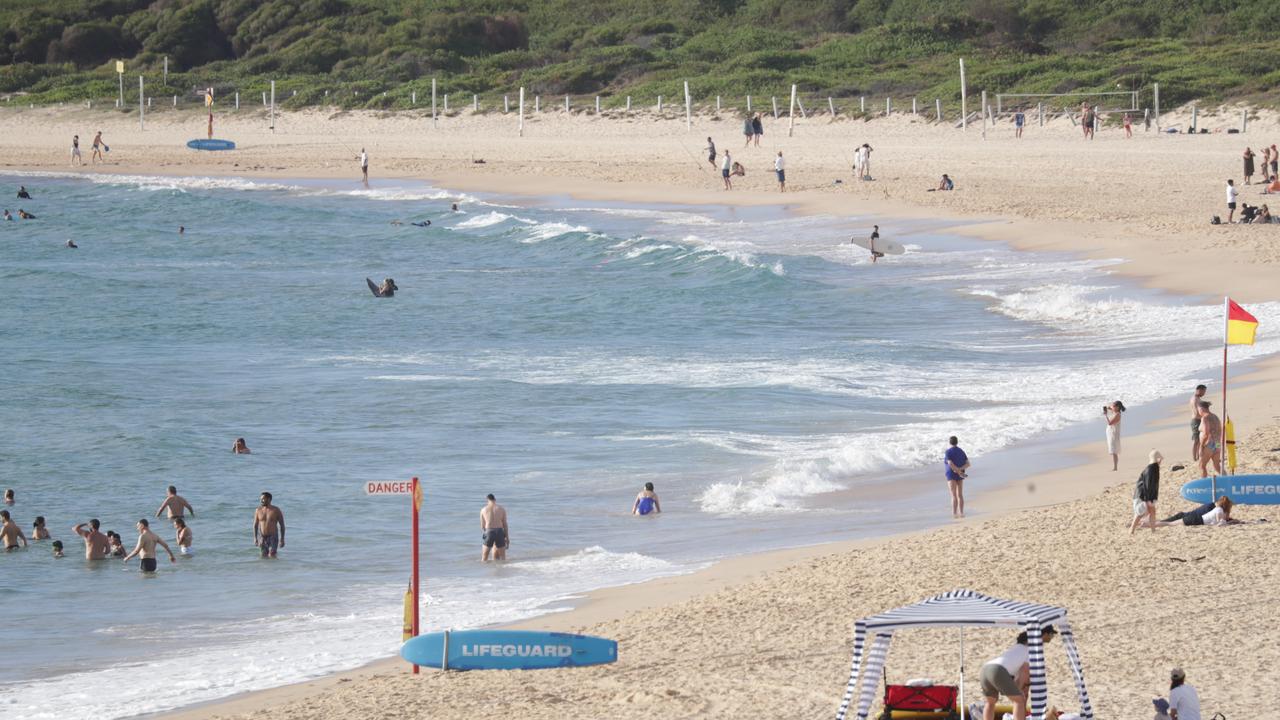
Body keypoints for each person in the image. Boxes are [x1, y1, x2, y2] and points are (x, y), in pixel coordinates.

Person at [980, 626, 1057, 720]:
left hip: (985, 669)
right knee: (1019, 701)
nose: (1052, 637)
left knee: (990, 703)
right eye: (1051, 635)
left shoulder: (1018, 647)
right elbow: (1025, 672)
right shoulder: (1030, 650)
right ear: (1044, 634)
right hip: (997, 670)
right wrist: (1021, 690)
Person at [1129, 450, 1162, 534]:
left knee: (1152, 511)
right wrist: (1148, 499)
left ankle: (1153, 530)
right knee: (1140, 513)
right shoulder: (1151, 469)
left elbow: (1152, 485)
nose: (1160, 461)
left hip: (1146, 495)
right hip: (1142, 495)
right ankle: (1132, 529)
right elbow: (1148, 485)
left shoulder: (1154, 468)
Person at [1158, 496, 1233, 527]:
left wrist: (1232, 521)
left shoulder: (1214, 507)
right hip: (1192, 518)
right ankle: (1149, 524)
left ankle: (1151, 523)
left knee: (1166, 522)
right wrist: (1228, 521)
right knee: (1168, 523)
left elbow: (1221, 519)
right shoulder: (1217, 510)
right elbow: (1220, 521)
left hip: (1190, 517)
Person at [254, 492, 285, 558]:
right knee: (263, 556)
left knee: (272, 555)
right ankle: (265, 568)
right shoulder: (258, 510)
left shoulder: (276, 510)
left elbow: (282, 525)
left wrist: (282, 539)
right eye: (261, 499)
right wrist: (255, 538)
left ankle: (274, 568)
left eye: (263, 499)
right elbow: (255, 525)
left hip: (273, 536)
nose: (261, 501)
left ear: (269, 499)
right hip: (262, 537)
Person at [945, 435, 969, 518]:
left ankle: (954, 513)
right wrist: (960, 471)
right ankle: (961, 512)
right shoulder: (961, 451)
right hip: (960, 474)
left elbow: (950, 463)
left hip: (951, 474)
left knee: (953, 495)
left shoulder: (948, 451)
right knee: (960, 495)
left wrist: (957, 471)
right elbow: (968, 464)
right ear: (957, 442)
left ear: (949, 442)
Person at [1197, 401, 1222, 477]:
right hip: (1217, 443)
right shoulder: (1215, 416)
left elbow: (1206, 433)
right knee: (1217, 466)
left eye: (1198, 410)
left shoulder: (1205, 418)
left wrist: (1201, 446)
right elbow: (1220, 430)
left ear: (1201, 409)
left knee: (1202, 465)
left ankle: (1203, 484)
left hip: (1209, 444)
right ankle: (1226, 479)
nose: (1198, 412)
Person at [480, 493, 509, 562]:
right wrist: (507, 537)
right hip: (499, 532)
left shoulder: (483, 510)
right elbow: (505, 524)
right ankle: (501, 571)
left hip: (489, 531)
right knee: (503, 558)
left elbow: (482, 526)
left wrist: (487, 534)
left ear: (487, 500)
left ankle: (483, 571)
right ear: (495, 500)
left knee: (484, 558)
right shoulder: (502, 509)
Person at [1104, 400, 1125, 471]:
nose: (1112, 407)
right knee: (1113, 450)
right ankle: (1115, 467)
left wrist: (1106, 415)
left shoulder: (1117, 415)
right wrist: (1108, 407)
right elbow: (1108, 406)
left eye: (1114, 406)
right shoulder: (1115, 411)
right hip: (1111, 432)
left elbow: (1109, 423)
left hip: (1113, 433)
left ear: (1117, 407)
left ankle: (1115, 467)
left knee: (1114, 451)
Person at [1189, 384, 1207, 461]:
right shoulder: (1195, 399)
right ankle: (1194, 458)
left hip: (1198, 420)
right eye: (1204, 392)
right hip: (1196, 421)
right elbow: (1197, 412)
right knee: (1196, 440)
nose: (1204, 393)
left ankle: (1198, 456)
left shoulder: (1196, 398)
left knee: (1200, 439)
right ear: (1199, 390)